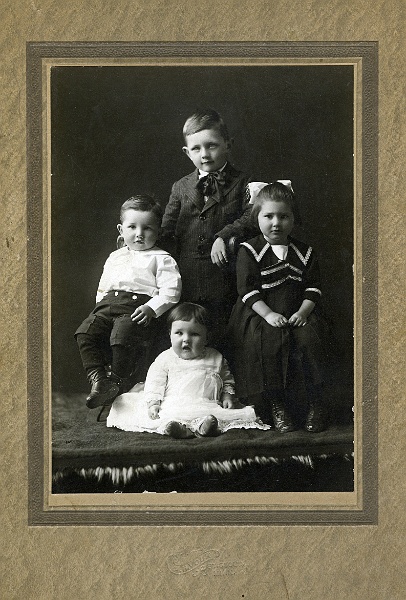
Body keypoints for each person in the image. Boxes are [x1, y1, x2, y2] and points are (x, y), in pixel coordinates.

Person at [228, 181, 328, 433]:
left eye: (283, 216)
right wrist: (269, 314)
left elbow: (313, 287)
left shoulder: (304, 251)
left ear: (293, 219)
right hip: (260, 312)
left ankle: (316, 404)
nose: (276, 223)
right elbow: (247, 290)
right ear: (256, 218)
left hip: (298, 311)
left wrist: (303, 312)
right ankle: (277, 404)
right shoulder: (249, 251)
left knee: (310, 339)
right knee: (267, 341)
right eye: (268, 216)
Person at [75, 195, 182, 411]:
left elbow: (171, 290)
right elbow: (103, 287)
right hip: (107, 306)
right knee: (85, 332)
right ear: (121, 229)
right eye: (132, 227)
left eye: (147, 228)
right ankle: (99, 380)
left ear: (158, 231)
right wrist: (98, 310)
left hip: (136, 309)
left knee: (122, 334)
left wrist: (151, 308)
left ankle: (116, 380)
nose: (139, 234)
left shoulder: (162, 258)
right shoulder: (115, 257)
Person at [160, 108, 254, 348]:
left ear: (228, 144)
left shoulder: (243, 181)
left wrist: (224, 235)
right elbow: (166, 229)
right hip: (187, 274)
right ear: (186, 151)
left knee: (223, 333)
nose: (205, 154)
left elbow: (251, 217)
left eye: (211, 146)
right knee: (189, 332)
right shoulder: (181, 187)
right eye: (196, 148)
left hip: (224, 274)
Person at [106, 302, 270, 437]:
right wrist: (154, 403)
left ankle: (205, 427)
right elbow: (155, 382)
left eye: (194, 334)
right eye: (179, 333)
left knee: (213, 417)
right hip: (173, 404)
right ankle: (177, 429)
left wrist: (227, 395)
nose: (186, 339)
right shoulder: (166, 358)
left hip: (208, 404)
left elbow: (226, 379)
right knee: (166, 416)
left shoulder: (215, 357)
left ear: (206, 337)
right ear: (170, 334)